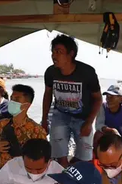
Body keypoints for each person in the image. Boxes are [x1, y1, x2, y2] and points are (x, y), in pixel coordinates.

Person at [42, 34, 102, 167]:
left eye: (59, 52)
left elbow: (98, 99)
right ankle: (63, 178)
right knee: (58, 155)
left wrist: (89, 122)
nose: (54, 55)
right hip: (60, 115)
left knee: (85, 157)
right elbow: (47, 95)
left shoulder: (87, 72)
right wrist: (44, 119)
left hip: (83, 118)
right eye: (53, 52)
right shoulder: (51, 72)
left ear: (71, 54)